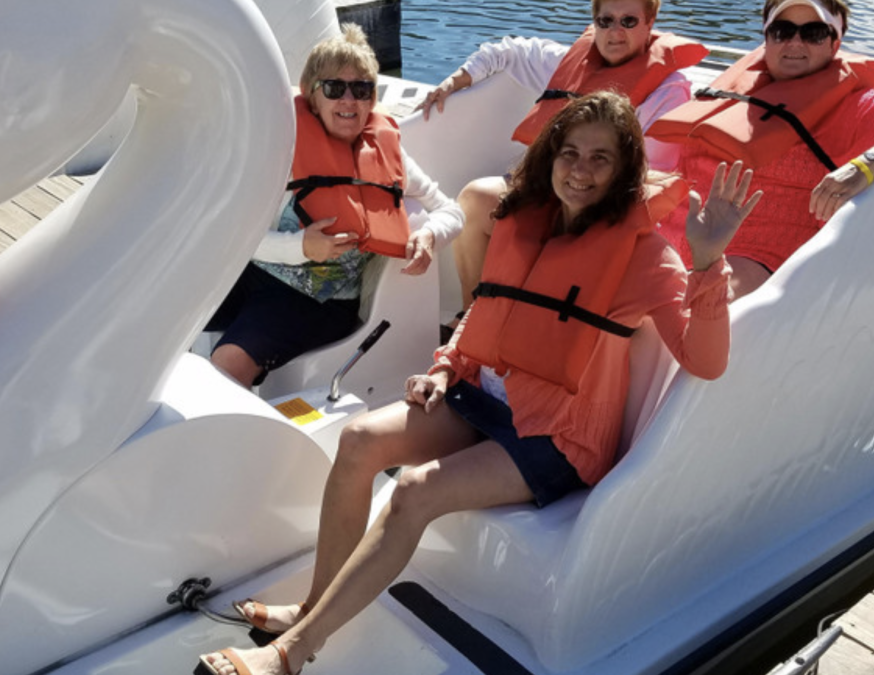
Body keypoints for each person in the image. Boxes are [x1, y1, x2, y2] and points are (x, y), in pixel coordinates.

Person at [196, 91, 760, 675]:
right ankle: (312, 605)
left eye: (601, 158)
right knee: (360, 439)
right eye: (570, 153)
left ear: (624, 172)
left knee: (414, 491)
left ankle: (291, 653)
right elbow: (486, 312)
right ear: (550, 157)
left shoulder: (647, 258)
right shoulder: (527, 223)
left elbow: (704, 360)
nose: (580, 170)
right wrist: (445, 367)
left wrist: (707, 263)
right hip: (485, 398)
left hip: (557, 437)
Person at [416, 0, 709, 332]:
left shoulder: (669, 93)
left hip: (608, 207)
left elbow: (648, 178)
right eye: (605, 21)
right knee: (475, 199)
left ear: (650, 22)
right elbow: (508, 51)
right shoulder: (570, 62)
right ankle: (475, 319)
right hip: (554, 191)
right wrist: (454, 81)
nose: (615, 32)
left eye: (628, 21)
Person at [207, 24, 463, 387]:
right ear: (312, 97)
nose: (348, 100)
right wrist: (300, 247)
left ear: (372, 100)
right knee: (159, 310)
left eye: (361, 89)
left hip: (318, 303)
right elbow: (236, 235)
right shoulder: (282, 147)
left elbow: (452, 210)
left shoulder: (390, 157)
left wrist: (430, 236)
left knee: (226, 366)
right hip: (250, 274)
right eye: (333, 88)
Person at [648, 0, 874, 298]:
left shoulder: (853, 106)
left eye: (813, 33)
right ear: (766, 39)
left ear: (834, 44)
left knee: (687, 304)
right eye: (782, 31)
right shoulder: (734, 91)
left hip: (755, 252)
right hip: (677, 229)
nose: (795, 42)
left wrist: (864, 167)